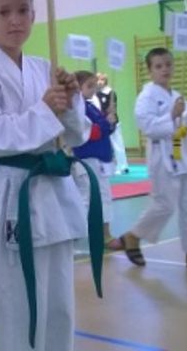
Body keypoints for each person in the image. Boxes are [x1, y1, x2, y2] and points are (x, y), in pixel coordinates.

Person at [0, 0, 101, 351]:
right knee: (15, 309)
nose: (15, 20)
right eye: (4, 12)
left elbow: (75, 136)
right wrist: (44, 109)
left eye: (23, 10)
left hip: (54, 198)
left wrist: (71, 101)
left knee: (58, 307)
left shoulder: (44, 68)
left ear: (35, 15)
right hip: (11, 196)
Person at [118, 48, 187, 272]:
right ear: (150, 70)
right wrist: (171, 115)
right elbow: (147, 127)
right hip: (162, 157)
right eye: (159, 66)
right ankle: (133, 236)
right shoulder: (146, 97)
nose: (165, 69)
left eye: (168, 64)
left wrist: (181, 120)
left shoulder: (177, 96)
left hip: (185, 156)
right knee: (164, 205)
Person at [72, 71, 121, 250]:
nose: (93, 90)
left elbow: (103, 129)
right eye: (89, 86)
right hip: (88, 159)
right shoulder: (77, 108)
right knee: (90, 198)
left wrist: (110, 120)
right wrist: (105, 124)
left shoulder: (89, 106)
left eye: (94, 86)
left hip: (98, 158)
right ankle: (83, 235)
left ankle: (102, 234)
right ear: (77, 88)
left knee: (98, 197)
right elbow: (90, 132)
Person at [95, 73, 129, 174]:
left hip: (112, 122)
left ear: (105, 81)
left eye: (101, 80)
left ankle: (122, 166)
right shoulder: (97, 94)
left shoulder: (110, 92)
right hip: (103, 123)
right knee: (107, 146)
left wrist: (110, 116)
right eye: (97, 80)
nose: (99, 82)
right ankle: (112, 166)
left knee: (117, 145)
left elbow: (112, 108)